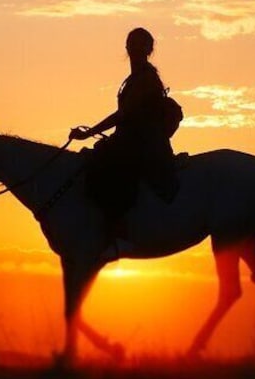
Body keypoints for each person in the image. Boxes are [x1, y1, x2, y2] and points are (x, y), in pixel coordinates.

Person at [69, 27, 180, 241]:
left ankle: (116, 224)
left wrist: (89, 132)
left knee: (109, 166)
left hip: (144, 144)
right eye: (132, 44)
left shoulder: (146, 79)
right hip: (131, 140)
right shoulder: (134, 78)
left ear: (148, 49)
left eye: (140, 44)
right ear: (127, 48)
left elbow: (123, 115)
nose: (135, 48)